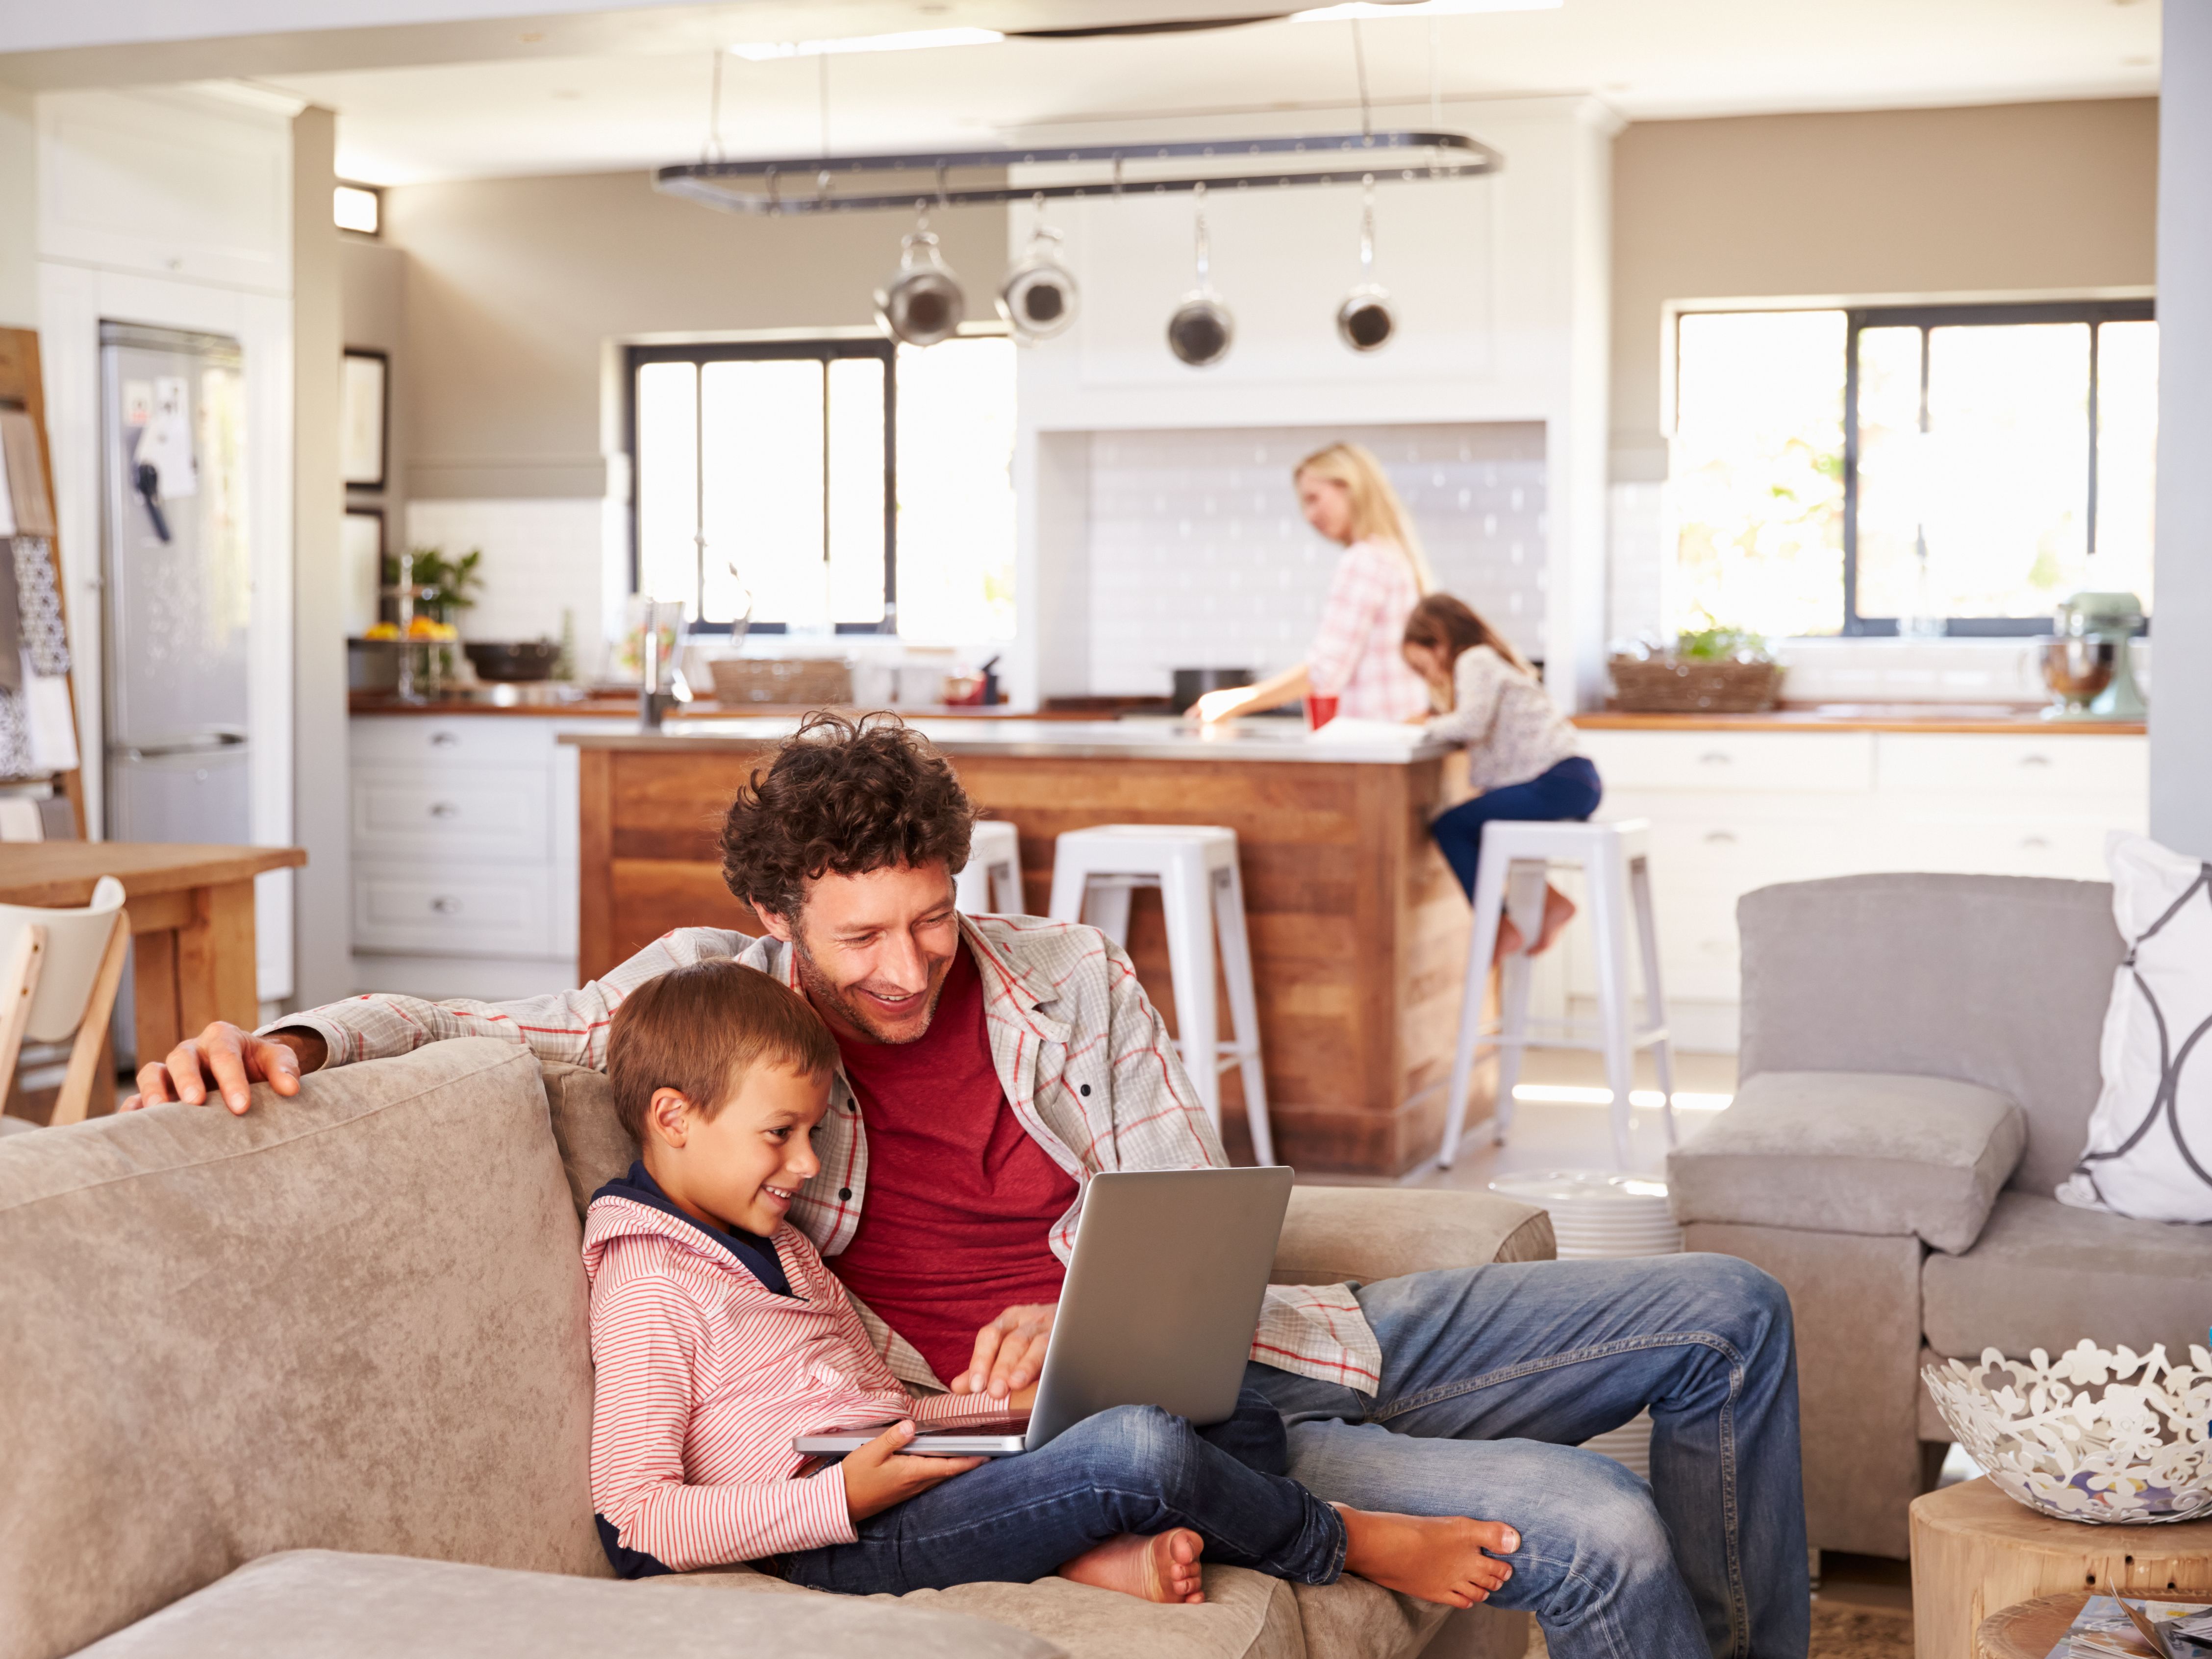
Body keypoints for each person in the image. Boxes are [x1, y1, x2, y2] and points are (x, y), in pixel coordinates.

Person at [129, 713, 1809, 1659]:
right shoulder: (713, 1005)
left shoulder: (1065, 970)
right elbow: (468, 1015)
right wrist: (285, 1034)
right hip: (1081, 1435)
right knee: (1591, 1521)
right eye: (859, 933)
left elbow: (1182, 1207)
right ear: (781, 917)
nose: (907, 963)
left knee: (1731, 1310)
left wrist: (1065, 1297)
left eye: (930, 914)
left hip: (1279, 1339)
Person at [585, 954, 1516, 1606]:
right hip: (836, 1542)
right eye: (779, 1134)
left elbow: (877, 1409)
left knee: (1228, 1413)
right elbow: (633, 1521)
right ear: (673, 1117)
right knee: (1141, 1452)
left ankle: (1082, 1551)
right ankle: (1346, 1540)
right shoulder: (648, 1281)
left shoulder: (778, 1245)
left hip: (912, 1480)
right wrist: (840, 1500)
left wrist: (1016, 1416)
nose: (803, 1163)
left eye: (814, 1134)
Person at [1402, 593, 1603, 960]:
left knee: (1452, 826)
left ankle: (1497, 924)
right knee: (1486, 827)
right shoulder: (1490, 662)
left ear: (1439, 642)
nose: (1429, 677)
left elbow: (1471, 722)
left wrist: (1424, 725)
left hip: (1559, 780)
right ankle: (1552, 902)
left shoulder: (1474, 659)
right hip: (1573, 780)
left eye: (1422, 666)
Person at [1190, 442, 1433, 726]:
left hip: (1374, 739)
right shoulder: (1392, 555)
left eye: (1313, 499)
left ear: (1349, 487)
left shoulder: (1364, 560)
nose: (1309, 516)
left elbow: (1325, 671)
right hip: (1400, 731)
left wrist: (1237, 700)